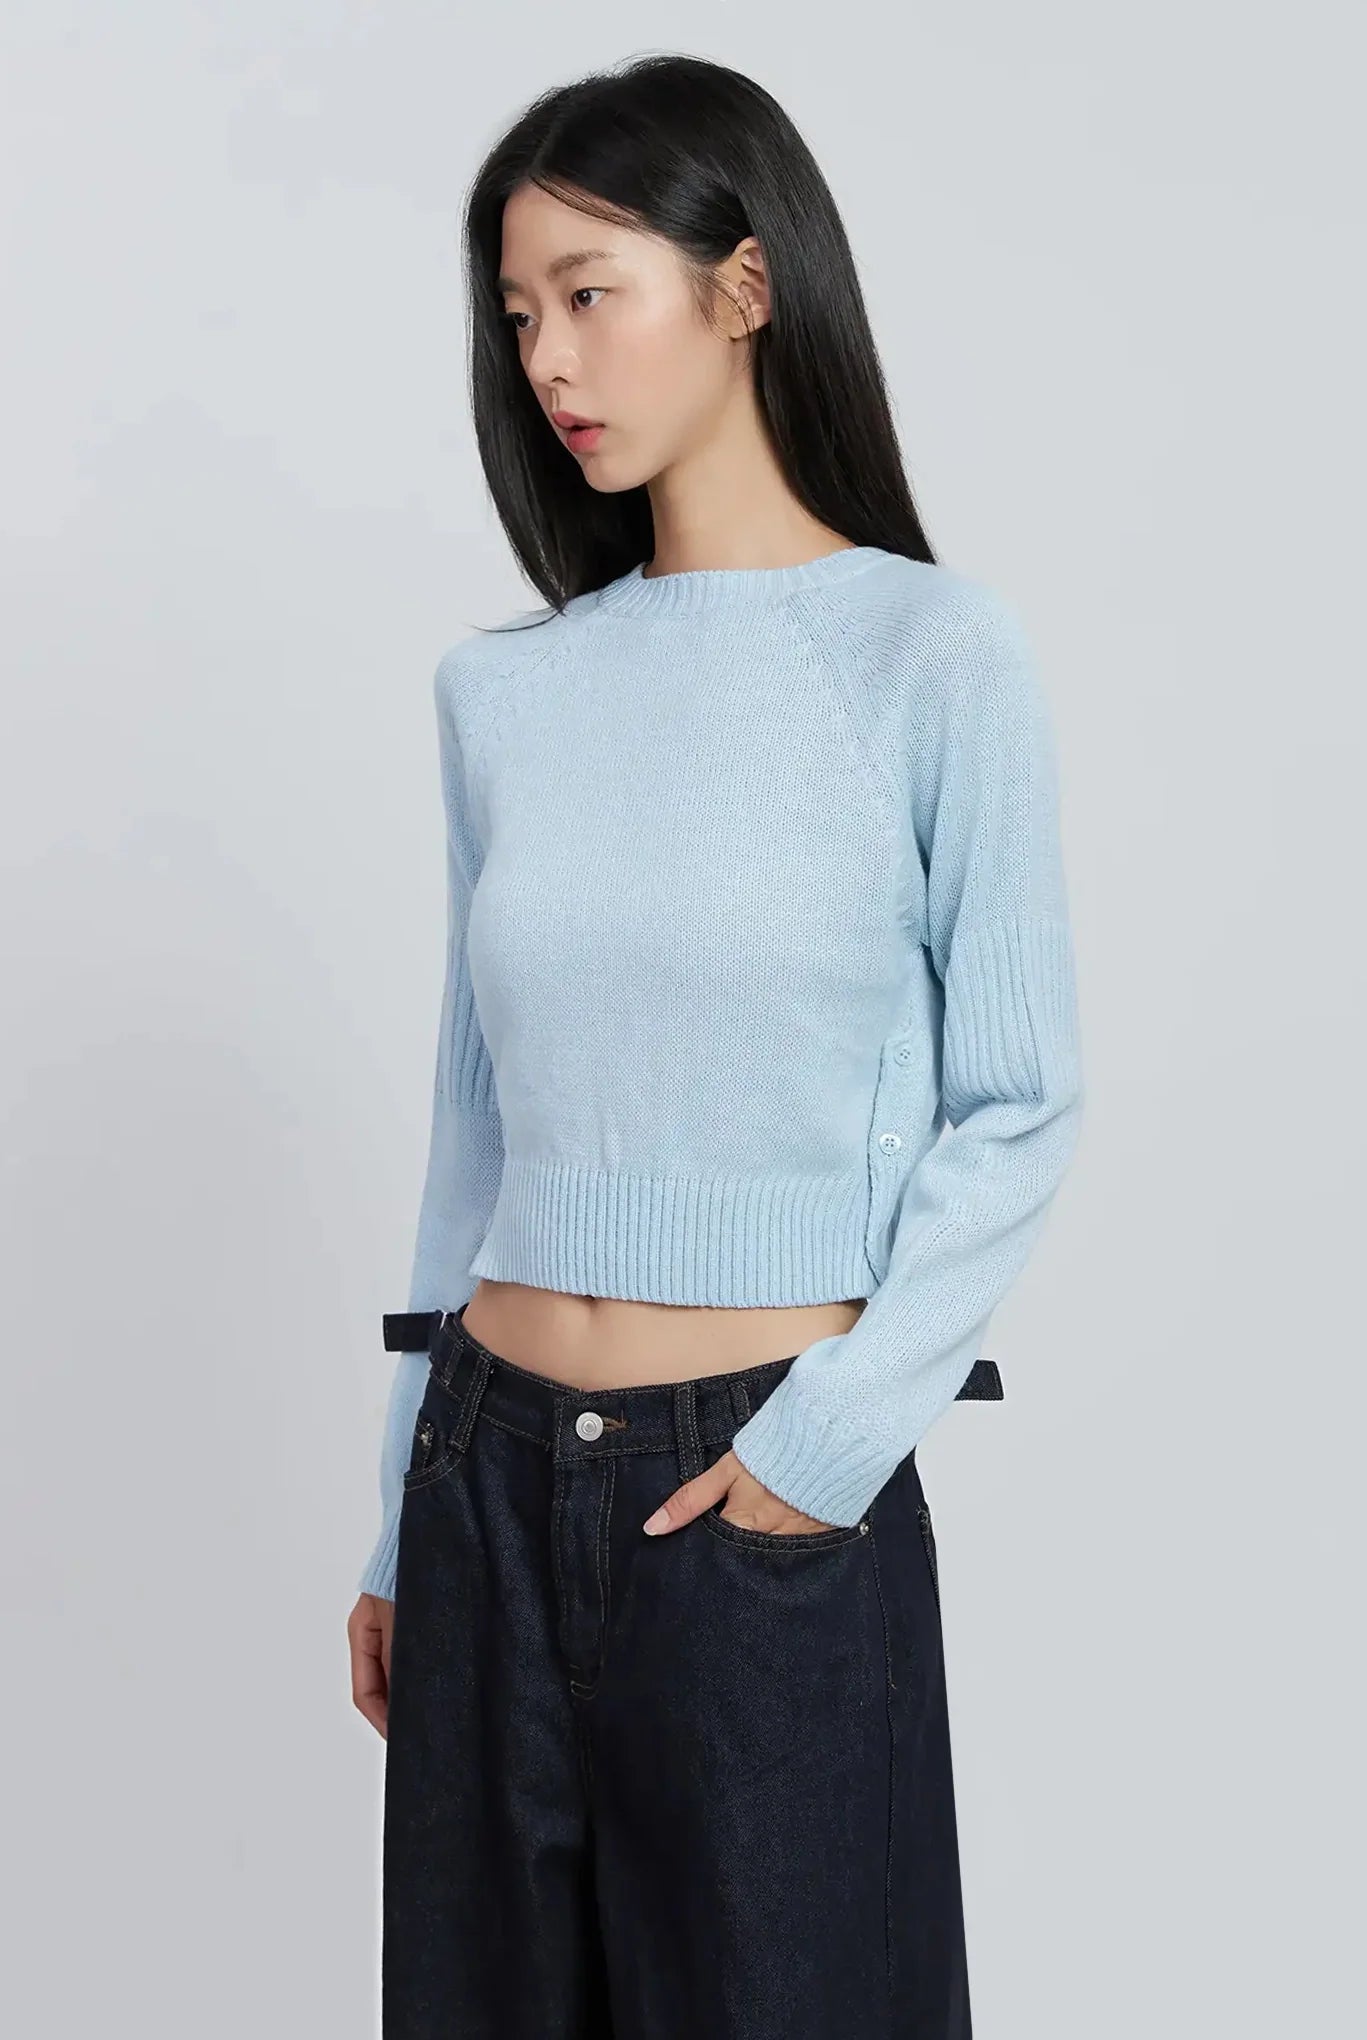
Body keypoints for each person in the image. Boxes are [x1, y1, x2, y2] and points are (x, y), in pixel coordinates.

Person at [346, 49, 1085, 2040]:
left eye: (591, 292)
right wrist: (398, 1516)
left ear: (744, 285)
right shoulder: (504, 698)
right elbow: (473, 1135)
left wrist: (828, 1451)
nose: (546, 357)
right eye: (518, 312)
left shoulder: (932, 655)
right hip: (487, 1478)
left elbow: (1022, 1098)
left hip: (754, 1486)